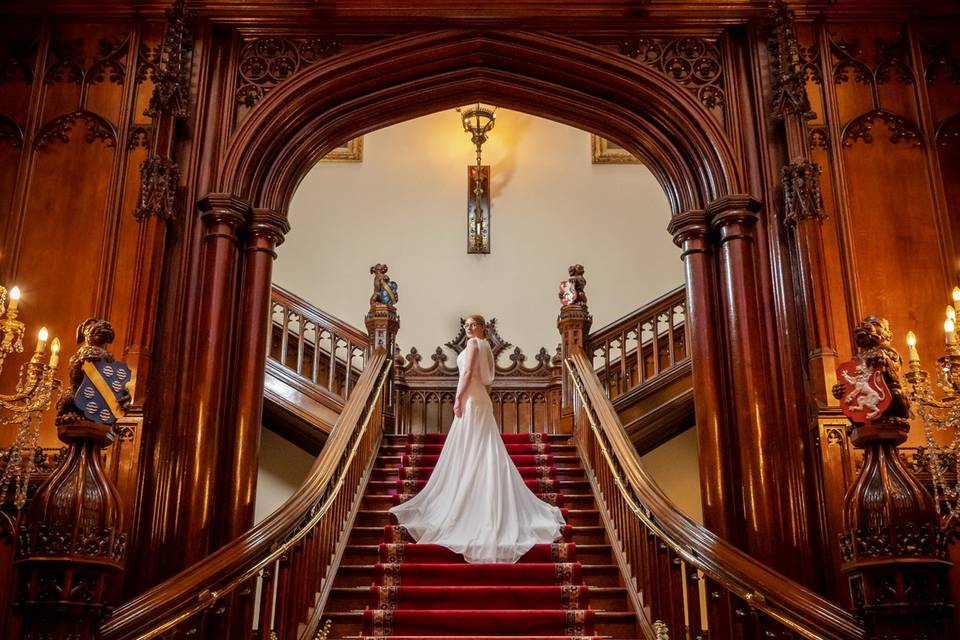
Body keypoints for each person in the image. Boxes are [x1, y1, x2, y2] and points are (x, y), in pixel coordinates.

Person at [387, 315, 567, 563]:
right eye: (466, 325)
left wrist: (459, 399)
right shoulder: (487, 348)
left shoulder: (473, 345)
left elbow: (469, 372)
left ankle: (471, 499)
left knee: (474, 448)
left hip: (471, 399)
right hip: (481, 398)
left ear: (483, 328)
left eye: (474, 325)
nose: (469, 328)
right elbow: (487, 381)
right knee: (483, 448)